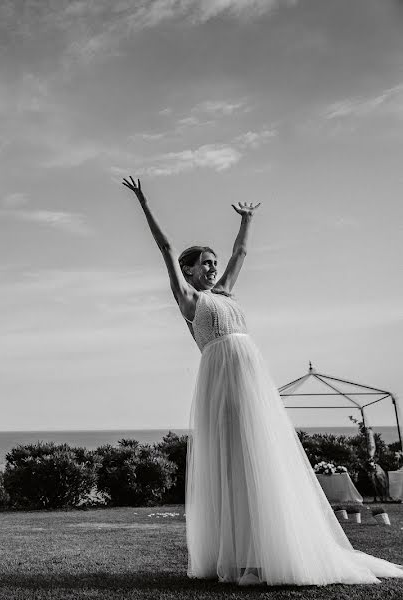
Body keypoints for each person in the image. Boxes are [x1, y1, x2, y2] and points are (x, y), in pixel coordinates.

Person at [121, 176, 403, 586]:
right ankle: (241, 559)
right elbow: (164, 247)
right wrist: (144, 202)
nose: (213, 268)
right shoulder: (190, 300)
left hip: (251, 380)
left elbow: (241, 251)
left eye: (214, 263)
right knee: (233, 464)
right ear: (187, 270)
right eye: (205, 263)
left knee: (261, 459)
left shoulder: (228, 293)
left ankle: (263, 555)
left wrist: (247, 219)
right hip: (220, 384)